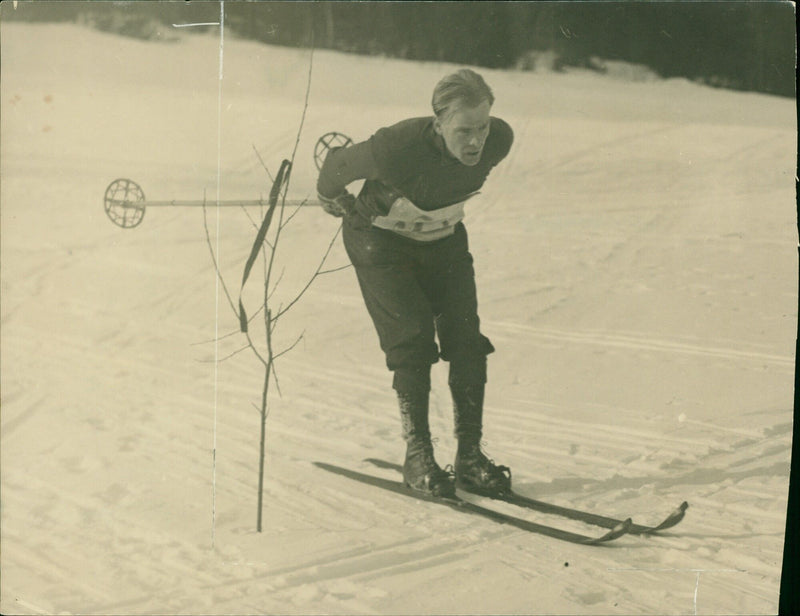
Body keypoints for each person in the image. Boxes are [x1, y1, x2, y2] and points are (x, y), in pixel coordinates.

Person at [316, 68, 513, 499]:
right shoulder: (396, 147)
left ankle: (470, 456)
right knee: (414, 337)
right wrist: (334, 197)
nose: (476, 141)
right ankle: (418, 455)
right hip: (380, 242)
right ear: (438, 122)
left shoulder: (500, 140)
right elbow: (334, 167)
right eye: (463, 130)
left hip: (443, 240)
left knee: (465, 338)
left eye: (482, 127)